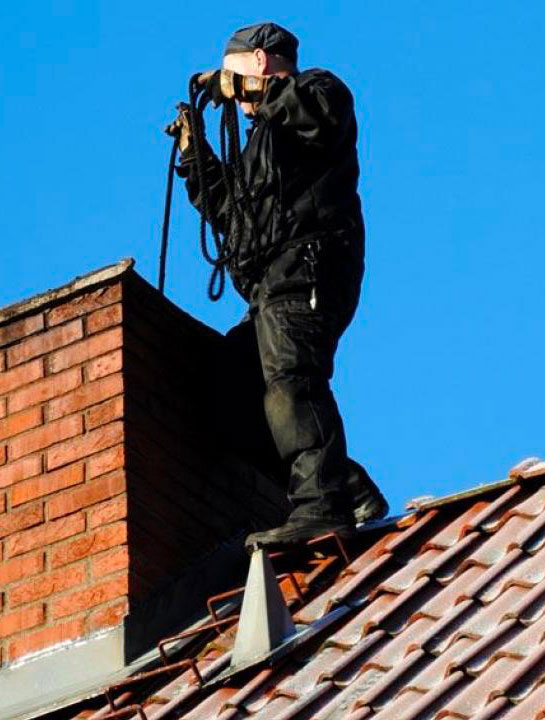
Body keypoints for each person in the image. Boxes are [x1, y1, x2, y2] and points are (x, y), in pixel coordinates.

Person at [176, 22, 388, 549]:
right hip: (270, 283)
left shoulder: (320, 91)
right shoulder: (259, 146)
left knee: (292, 379)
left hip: (309, 266)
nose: (233, 98)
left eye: (234, 77)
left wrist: (243, 89)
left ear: (261, 63)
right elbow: (233, 217)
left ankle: (322, 508)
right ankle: (347, 486)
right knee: (229, 393)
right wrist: (194, 154)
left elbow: (307, 114)